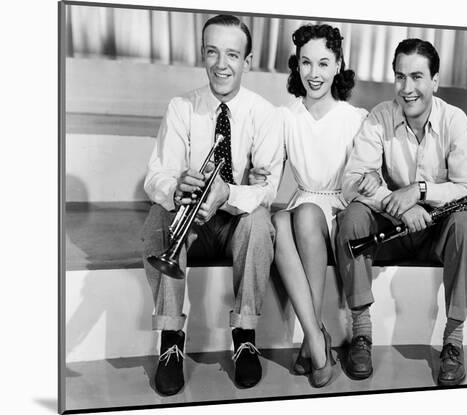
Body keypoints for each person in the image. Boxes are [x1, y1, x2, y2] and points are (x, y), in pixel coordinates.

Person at [141, 14, 284, 395]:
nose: (222, 65)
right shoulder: (181, 108)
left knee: (258, 221)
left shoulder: (264, 114)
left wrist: (228, 194)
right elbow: (155, 176)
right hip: (192, 224)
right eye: (213, 53)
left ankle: (244, 334)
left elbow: (268, 188)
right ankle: (171, 339)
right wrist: (176, 189)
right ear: (203, 55)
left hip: (234, 223)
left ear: (247, 62)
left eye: (233, 55)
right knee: (158, 217)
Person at [335, 38, 467, 386]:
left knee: (464, 223)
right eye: (400, 77)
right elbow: (352, 182)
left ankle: (453, 341)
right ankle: (361, 333)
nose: (407, 88)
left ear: (434, 81)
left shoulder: (455, 120)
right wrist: (402, 207)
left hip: (437, 232)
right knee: (353, 215)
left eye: (417, 77)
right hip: (393, 232)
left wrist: (419, 191)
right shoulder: (379, 117)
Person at [265, 24, 378, 388]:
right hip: (301, 204)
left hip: (335, 210)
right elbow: (270, 178)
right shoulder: (285, 117)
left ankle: (311, 340)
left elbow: (365, 177)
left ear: (338, 65)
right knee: (281, 220)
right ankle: (316, 338)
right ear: (296, 66)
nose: (314, 74)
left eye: (323, 63)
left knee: (306, 215)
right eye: (306, 63)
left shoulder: (355, 118)